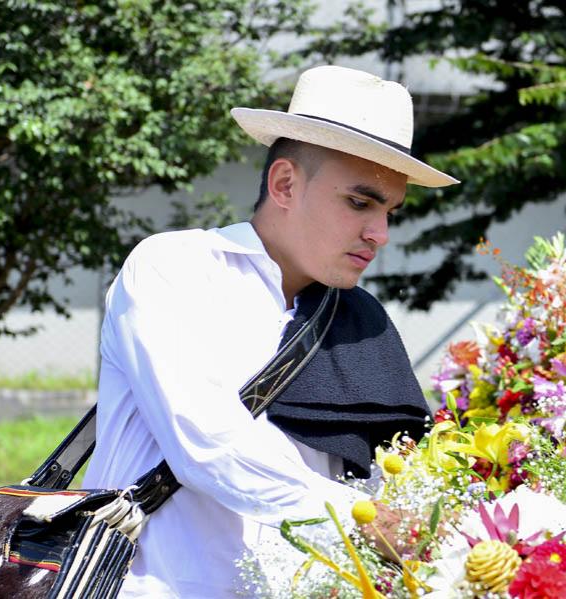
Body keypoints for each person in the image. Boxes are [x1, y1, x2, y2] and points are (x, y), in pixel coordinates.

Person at [81, 65, 458, 597]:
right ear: (284, 184)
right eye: (360, 202)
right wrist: (361, 518)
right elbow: (207, 445)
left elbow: (384, 475)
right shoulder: (177, 268)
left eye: (391, 211)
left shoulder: (361, 324)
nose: (380, 234)